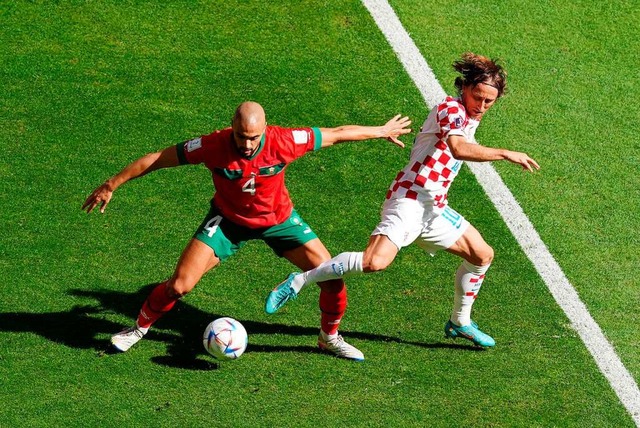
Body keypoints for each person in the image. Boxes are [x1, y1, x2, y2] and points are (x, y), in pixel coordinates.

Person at [82, 101, 411, 361]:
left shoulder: (285, 140)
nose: (248, 144)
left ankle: (329, 338)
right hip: (228, 223)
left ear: (265, 130)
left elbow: (337, 133)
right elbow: (159, 158)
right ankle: (137, 329)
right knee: (180, 285)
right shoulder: (212, 145)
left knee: (331, 277)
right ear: (232, 129)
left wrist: (380, 130)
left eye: (254, 137)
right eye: (241, 136)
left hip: (280, 222)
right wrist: (112, 184)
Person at [265, 53, 540, 348]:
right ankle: (299, 280)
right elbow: (458, 149)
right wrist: (505, 153)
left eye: (489, 102)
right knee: (374, 262)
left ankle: (460, 322)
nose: (481, 107)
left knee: (482, 255)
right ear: (464, 89)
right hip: (410, 199)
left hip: (434, 208)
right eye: (477, 97)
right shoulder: (451, 108)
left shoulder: (469, 115)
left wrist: (485, 65)